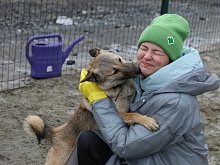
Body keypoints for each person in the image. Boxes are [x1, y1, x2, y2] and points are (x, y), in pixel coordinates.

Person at [65, 14, 220, 165]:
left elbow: (125, 146)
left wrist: (98, 99)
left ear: (171, 59)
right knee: (88, 141)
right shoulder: (144, 78)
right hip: (148, 154)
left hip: (159, 159)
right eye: (144, 48)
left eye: (157, 52)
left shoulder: (178, 103)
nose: (146, 56)